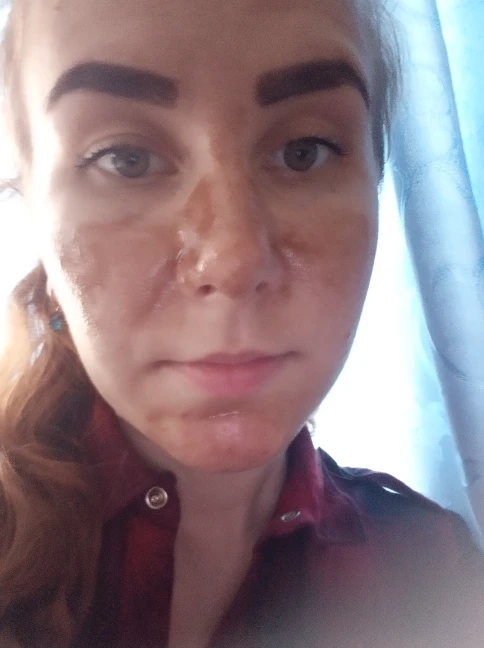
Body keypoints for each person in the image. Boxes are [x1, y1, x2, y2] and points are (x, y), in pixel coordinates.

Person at [0, 0, 482, 646]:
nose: (233, 260)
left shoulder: (436, 574)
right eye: (126, 159)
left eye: (304, 152)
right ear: (32, 204)